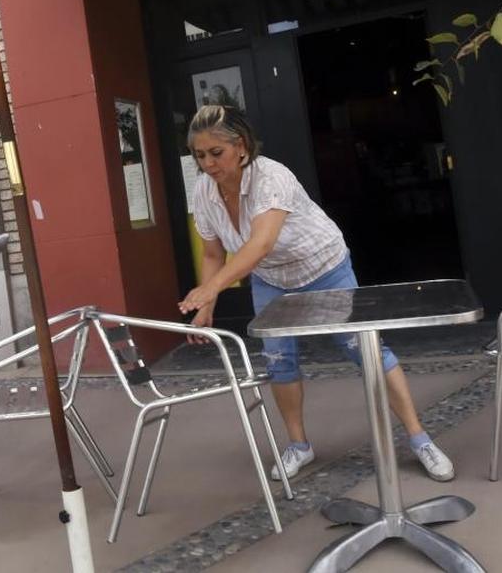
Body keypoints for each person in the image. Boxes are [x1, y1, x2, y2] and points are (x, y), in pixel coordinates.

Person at [178, 104, 454, 482]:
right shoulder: (203, 192)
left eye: (216, 153)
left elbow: (259, 244)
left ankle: (419, 438)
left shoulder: (271, 178)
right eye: (199, 156)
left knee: (364, 349)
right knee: (278, 360)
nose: (208, 164)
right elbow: (213, 252)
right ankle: (299, 445)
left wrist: (210, 288)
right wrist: (207, 303)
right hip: (272, 279)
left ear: (240, 146)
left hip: (324, 268)